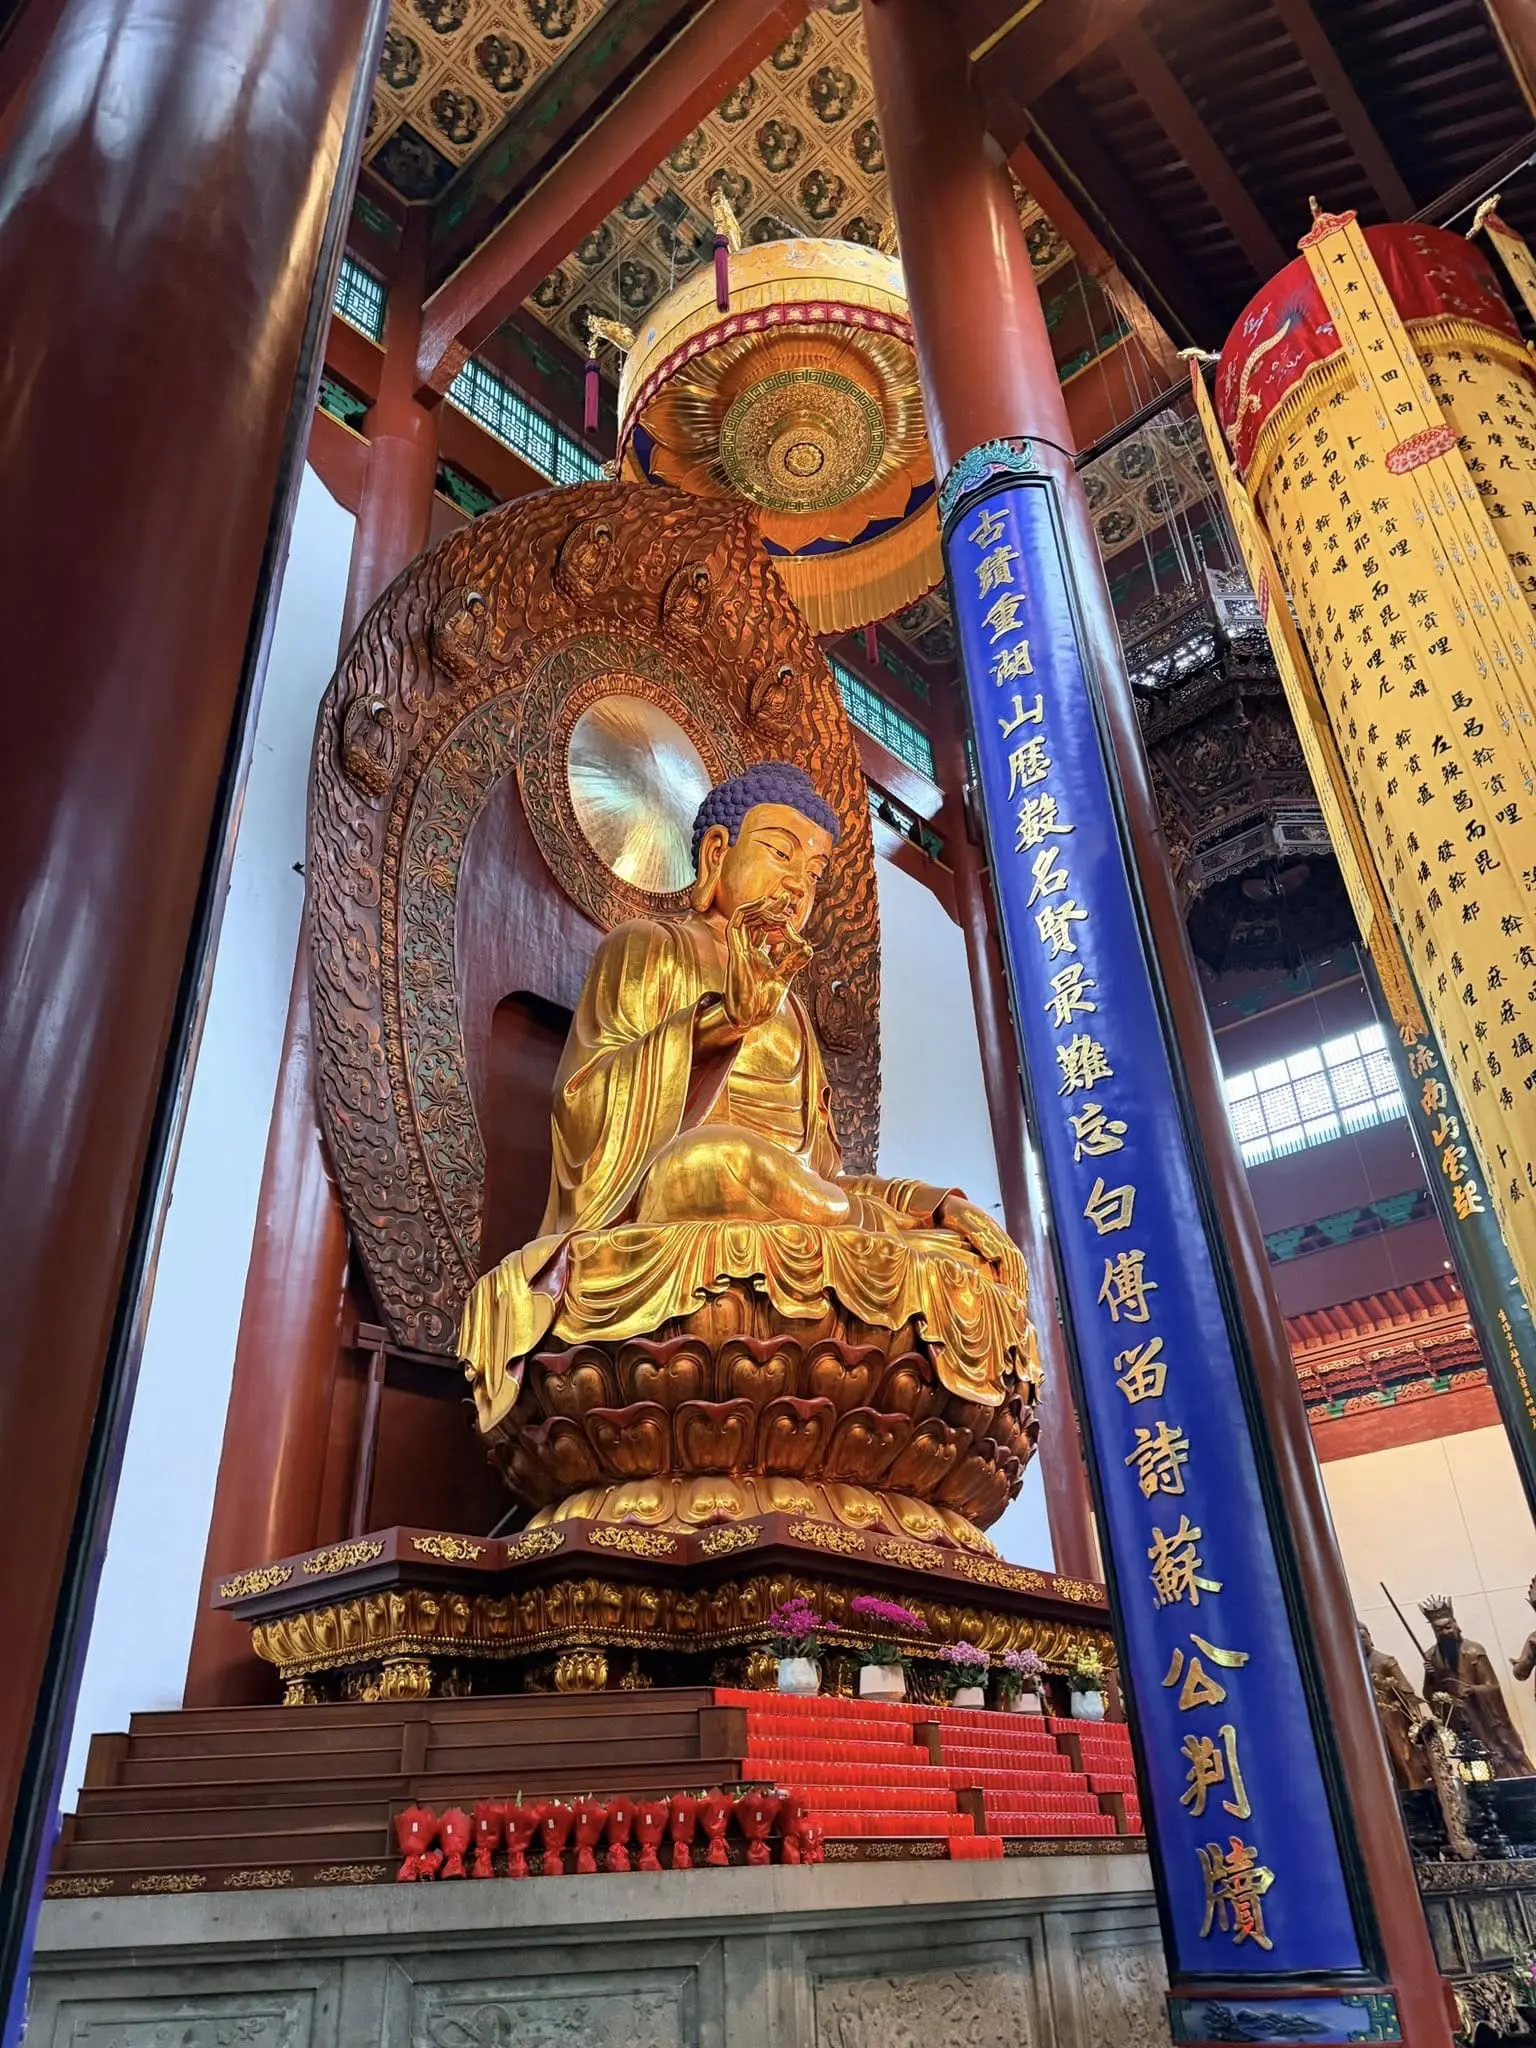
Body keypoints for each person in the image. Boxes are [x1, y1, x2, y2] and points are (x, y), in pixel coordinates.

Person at [460, 762, 1029, 1434]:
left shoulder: (795, 1012)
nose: (797, 886)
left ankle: (891, 1230)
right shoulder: (650, 948)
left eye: (814, 873)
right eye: (781, 853)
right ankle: (876, 1232)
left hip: (789, 1206)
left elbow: (816, 1177)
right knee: (712, 1161)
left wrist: (930, 1207)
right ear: (716, 853)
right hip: (684, 1192)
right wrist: (719, 1024)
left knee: (955, 1250)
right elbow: (584, 1107)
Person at [1421, 1595, 1534, 1779]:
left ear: (1455, 1624)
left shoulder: (1474, 1651)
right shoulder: (1431, 1657)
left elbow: (1492, 1687)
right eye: (1438, 1629)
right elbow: (1430, 1695)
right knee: (1475, 1766)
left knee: (1502, 1758)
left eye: (1448, 1626)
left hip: (1485, 1720)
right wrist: (1430, 1676)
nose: (1445, 1632)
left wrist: (1472, 1690)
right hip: (1461, 1722)